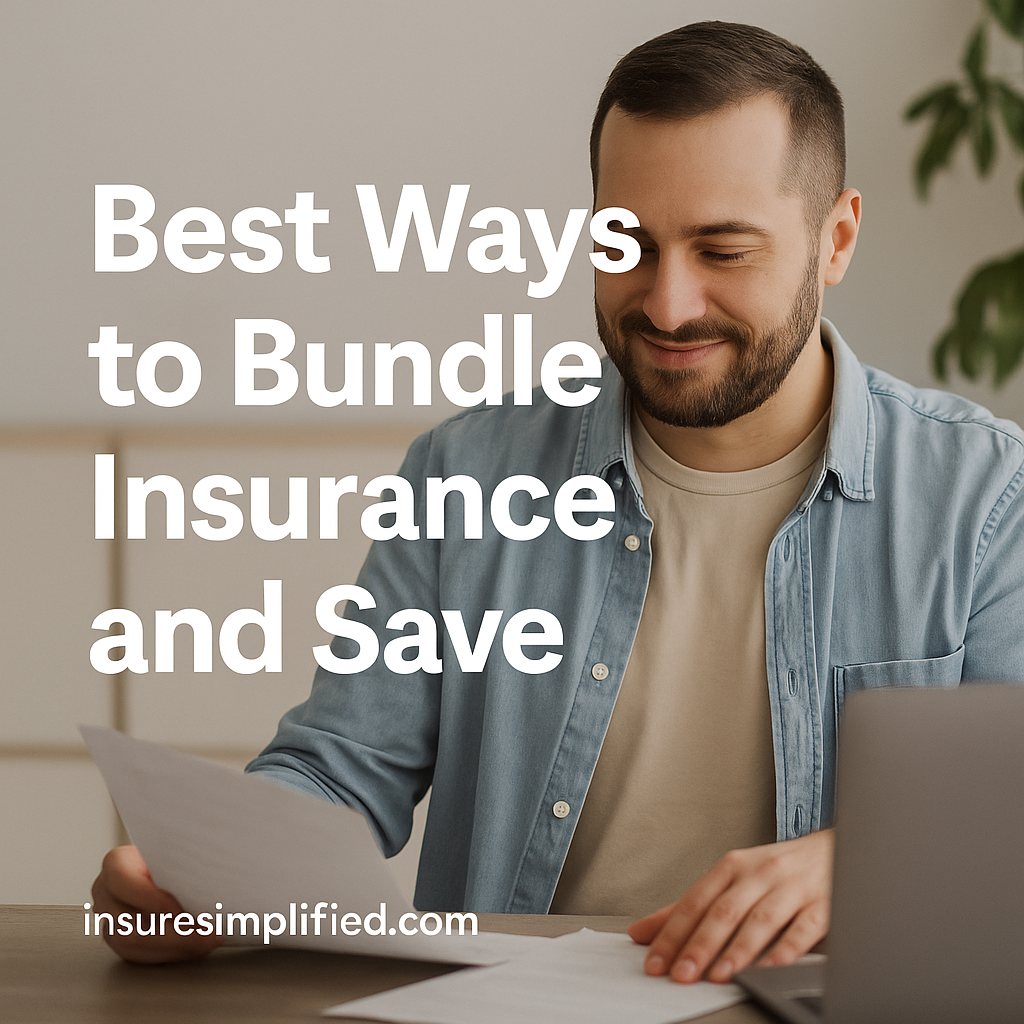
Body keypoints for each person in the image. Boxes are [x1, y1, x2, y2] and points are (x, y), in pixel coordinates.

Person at [92, 21, 1024, 982]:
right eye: (628, 244)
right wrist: (206, 877)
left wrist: (868, 864)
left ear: (834, 241)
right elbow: (340, 770)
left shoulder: (984, 500)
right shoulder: (465, 478)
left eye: (723, 251)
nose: (666, 305)